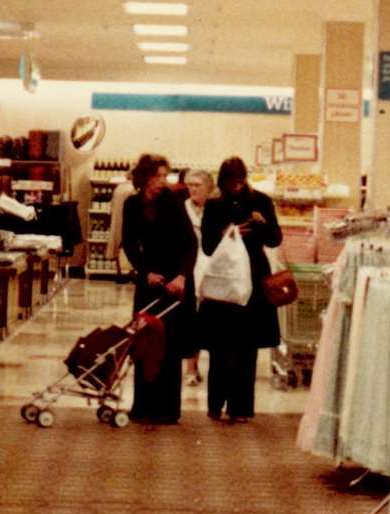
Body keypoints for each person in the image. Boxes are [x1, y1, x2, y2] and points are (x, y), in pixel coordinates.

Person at [198, 156, 282, 424]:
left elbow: (274, 238)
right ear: (223, 181)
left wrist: (262, 223)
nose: (236, 186)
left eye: (240, 180)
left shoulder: (261, 201)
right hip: (225, 280)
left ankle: (241, 408)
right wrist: (228, 233)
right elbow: (209, 246)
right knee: (220, 347)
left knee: (247, 348)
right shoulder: (214, 206)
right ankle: (215, 405)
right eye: (230, 181)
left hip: (255, 278)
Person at [120, 154, 197, 427]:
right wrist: (144, 272)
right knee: (144, 341)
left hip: (175, 283)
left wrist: (182, 277)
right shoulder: (131, 205)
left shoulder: (173, 203)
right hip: (149, 281)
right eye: (159, 176)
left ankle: (167, 410)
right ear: (145, 177)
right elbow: (129, 244)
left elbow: (190, 243)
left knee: (170, 345)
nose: (163, 182)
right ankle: (142, 406)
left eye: (166, 176)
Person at [178, 169, 213, 386]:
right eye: (189, 185)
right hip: (190, 268)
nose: (193, 189)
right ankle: (191, 368)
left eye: (197, 185)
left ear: (209, 187)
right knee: (192, 319)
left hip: (213, 268)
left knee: (208, 320)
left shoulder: (216, 209)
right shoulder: (182, 209)